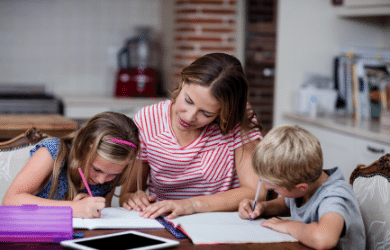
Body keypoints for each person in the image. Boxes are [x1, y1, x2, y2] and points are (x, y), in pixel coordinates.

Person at [120, 52, 267, 220]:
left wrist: (191, 205)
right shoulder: (148, 120)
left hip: (222, 223)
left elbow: (256, 191)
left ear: (224, 113)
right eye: (188, 101)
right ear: (183, 83)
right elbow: (127, 193)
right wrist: (133, 198)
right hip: (168, 222)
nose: (189, 117)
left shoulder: (237, 120)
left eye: (206, 113)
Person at [238, 124, 365, 250]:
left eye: (274, 187)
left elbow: (324, 239)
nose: (267, 187)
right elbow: (288, 203)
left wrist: (288, 225)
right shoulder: (305, 186)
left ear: (301, 187)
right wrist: (263, 207)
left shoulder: (334, 196)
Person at [2, 112, 139, 219]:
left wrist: (91, 209)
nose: (101, 180)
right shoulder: (54, 153)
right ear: (81, 149)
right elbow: (10, 201)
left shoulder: (109, 171)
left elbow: (102, 214)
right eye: (97, 169)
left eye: (114, 174)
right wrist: (73, 208)